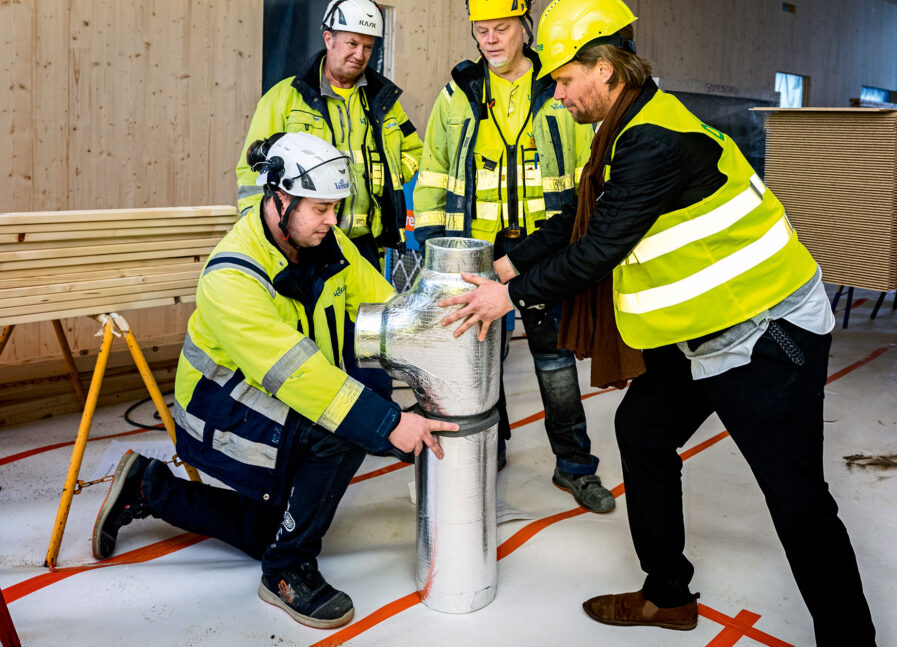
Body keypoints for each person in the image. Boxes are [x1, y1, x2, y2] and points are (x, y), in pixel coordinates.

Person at [438, 0, 876, 643]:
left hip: (766, 334)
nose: (556, 96)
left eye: (563, 80)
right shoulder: (625, 125)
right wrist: (508, 265)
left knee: (798, 501)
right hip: (706, 333)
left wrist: (511, 298)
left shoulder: (654, 139)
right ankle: (667, 596)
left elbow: (598, 249)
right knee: (643, 432)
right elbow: (578, 221)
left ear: (607, 70)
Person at [91, 132, 457, 630]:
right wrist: (390, 424)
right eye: (322, 208)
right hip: (216, 405)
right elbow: (298, 375)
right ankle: (286, 572)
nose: (334, 220)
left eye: (337, 208)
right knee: (347, 426)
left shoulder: (326, 242)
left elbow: (384, 309)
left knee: (264, 527)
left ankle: (148, 487)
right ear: (280, 199)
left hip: (274, 397)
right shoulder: (232, 276)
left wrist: (441, 328)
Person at [413, 0, 613, 513]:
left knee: (553, 359)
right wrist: (438, 245)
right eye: (481, 31)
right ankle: (490, 449)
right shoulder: (457, 94)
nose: (490, 40)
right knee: (482, 355)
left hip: (545, 244)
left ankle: (575, 467)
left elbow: (591, 167)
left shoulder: (558, 88)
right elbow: (434, 171)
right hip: (475, 251)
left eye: (501, 29)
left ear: (524, 26)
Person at [237, 0, 423, 399]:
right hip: (306, 245)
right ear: (329, 39)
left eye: (369, 47)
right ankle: (322, 424)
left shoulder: (381, 100)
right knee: (313, 340)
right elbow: (252, 176)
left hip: (364, 242)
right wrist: (268, 239)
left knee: (371, 343)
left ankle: (378, 420)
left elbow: (415, 152)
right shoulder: (285, 99)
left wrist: (389, 175)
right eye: (351, 43)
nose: (359, 54)